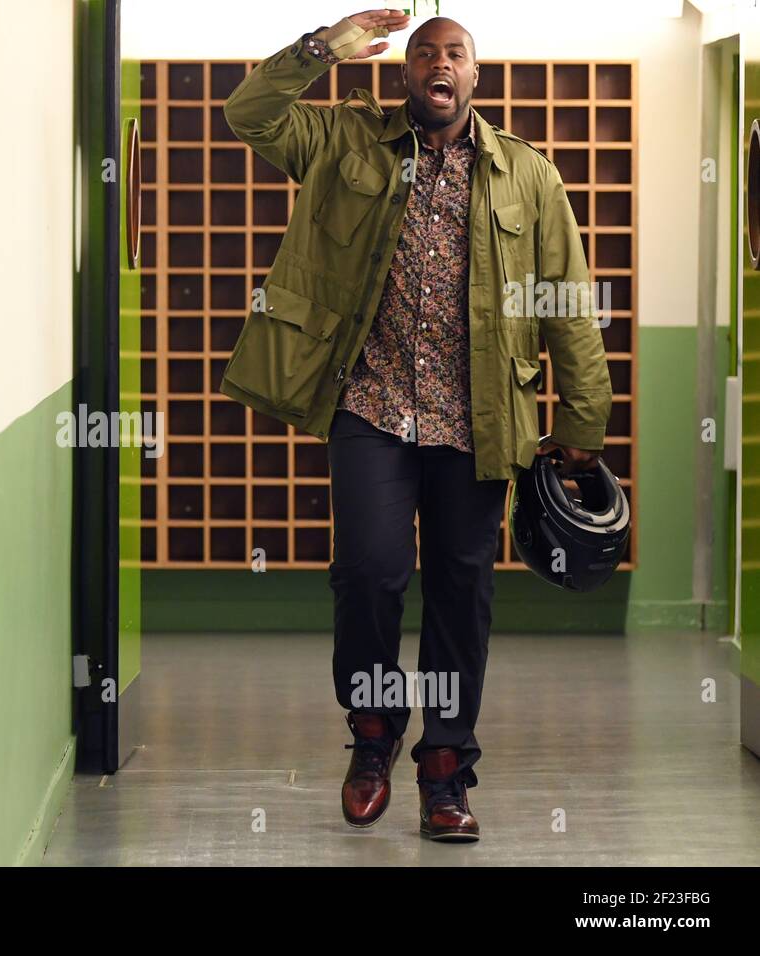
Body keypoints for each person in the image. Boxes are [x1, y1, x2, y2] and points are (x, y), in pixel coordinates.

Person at [218, 10, 613, 841]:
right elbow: (248, 114)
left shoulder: (528, 178)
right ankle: (371, 736)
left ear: (475, 76)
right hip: (370, 405)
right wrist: (324, 44)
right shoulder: (346, 144)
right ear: (405, 72)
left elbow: (567, 303)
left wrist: (583, 422)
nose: (439, 63)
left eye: (455, 53)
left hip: (479, 417)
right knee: (368, 573)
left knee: (462, 595)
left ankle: (445, 769)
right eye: (424, 51)